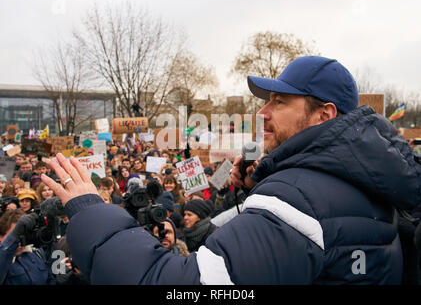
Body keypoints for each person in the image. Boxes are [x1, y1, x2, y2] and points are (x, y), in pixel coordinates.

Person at [40, 55, 421, 285]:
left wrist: (90, 211)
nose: (263, 112)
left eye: (280, 101)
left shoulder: (298, 201)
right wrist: (250, 194)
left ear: (325, 113)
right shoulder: (369, 181)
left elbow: (180, 284)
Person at [0, 209, 56, 285]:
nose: (19, 239)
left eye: (23, 233)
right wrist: (14, 237)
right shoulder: (3, 258)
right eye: (16, 234)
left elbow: (50, 278)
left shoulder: (36, 253)